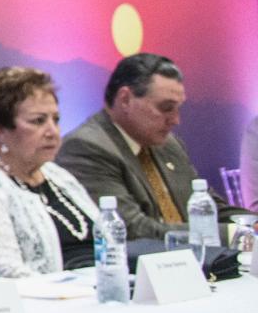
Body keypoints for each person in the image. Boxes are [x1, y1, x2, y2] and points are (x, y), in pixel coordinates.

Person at [0, 67, 100, 276]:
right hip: (43, 303)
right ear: (0, 130)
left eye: (56, 119)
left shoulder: (59, 176)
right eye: (38, 121)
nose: (53, 131)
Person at [55, 53, 227, 240]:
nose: (176, 120)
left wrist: (251, 225)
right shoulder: (87, 148)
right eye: (166, 108)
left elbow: (210, 206)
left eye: (178, 108)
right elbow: (133, 230)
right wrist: (230, 235)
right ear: (125, 99)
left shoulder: (170, 144)